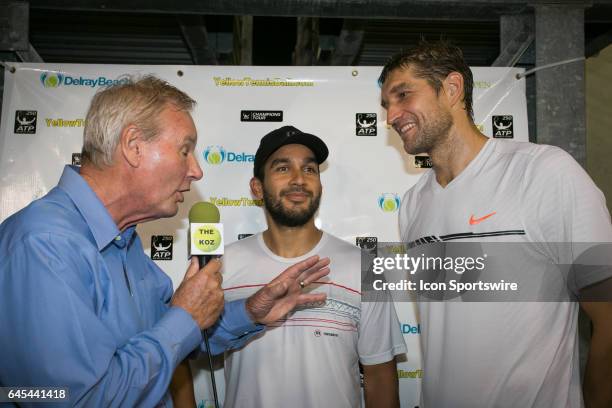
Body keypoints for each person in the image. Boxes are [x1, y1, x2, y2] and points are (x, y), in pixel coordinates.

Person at [0, 77, 330, 407]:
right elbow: (80, 400)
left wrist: (249, 312)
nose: (197, 171)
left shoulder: (125, 244)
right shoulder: (43, 244)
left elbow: (177, 335)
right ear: (133, 146)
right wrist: (184, 317)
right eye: (184, 150)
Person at [379, 41, 612, 407]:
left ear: (452, 89)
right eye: (386, 104)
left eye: (403, 95)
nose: (391, 115)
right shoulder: (412, 204)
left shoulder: (545, 172)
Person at [220, 125, 407, 407]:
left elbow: (380, 377)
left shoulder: (364, 267)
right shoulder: (222, 266)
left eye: (309, 170)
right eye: (283, 169)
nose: (299, 180)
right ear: (257, 187)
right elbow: (186, 352)